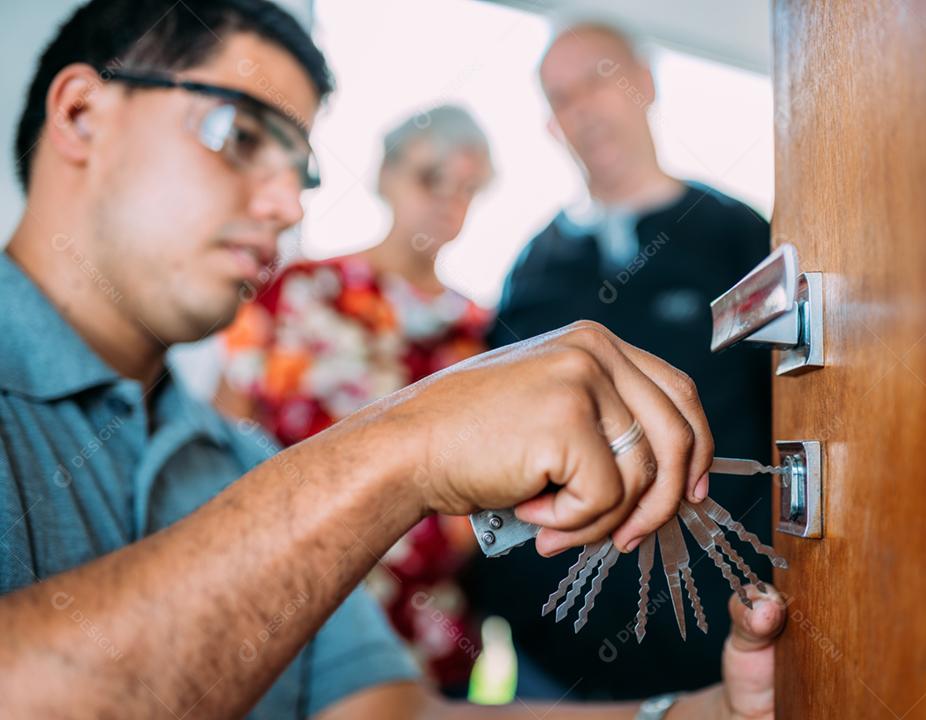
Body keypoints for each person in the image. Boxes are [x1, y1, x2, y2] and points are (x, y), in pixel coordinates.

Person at [0, 2, 785, 718]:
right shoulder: (281, 455)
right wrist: (404, 446)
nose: (288, 205)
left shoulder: (232, 465)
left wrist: (701, 713)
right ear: (79, 112)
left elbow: (388, 713)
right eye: (238, 136)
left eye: (301, 171)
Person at [468, 21, 774, 701]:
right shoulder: (534, 262)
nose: (582, 108)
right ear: (551, 124)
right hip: (554, 655)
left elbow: (793, 412)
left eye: (598, 80)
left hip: (714, 643)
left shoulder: (737, 235)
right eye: (561, 96)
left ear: (644, 84)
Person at [215, 105, 494, 694]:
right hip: (286, 608)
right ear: (386, 175)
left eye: (466, 187)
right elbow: (223, 431)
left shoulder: (479, 332)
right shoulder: (295, 292)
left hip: (423, 628)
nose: (447, 200)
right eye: (430, 177)